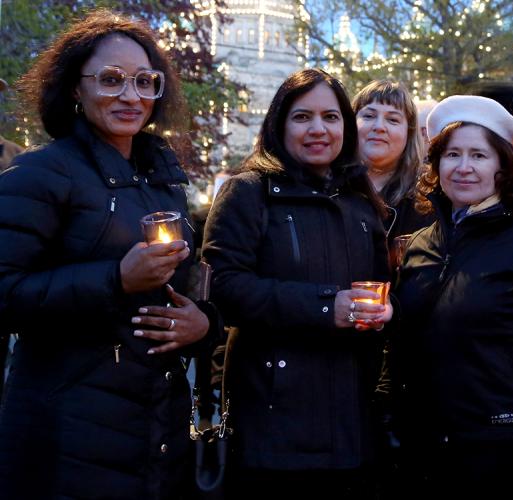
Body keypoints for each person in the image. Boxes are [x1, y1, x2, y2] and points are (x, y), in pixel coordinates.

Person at [0, 11, 217, 499]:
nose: (131, 95)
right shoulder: (38, 175)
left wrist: (204, 325)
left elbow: (186, 287)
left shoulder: (164, 179)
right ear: (76, 88)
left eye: (145, 81)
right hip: (67, 434)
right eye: (112, 80)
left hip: (155, 428)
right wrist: (114, 279)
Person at [202, 68, 393, 499]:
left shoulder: (362, 205)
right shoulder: (247, 192)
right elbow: (223, 290)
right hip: (272, 421)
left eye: (330, 117)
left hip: (351, 422)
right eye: (302, 117)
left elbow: (383, 286)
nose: (318, 129)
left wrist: (384, 309)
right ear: (279, 125)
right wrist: (327, 305)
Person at [391, 95, 513, 499]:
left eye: (479, 155)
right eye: (452, 154)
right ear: (436, 166)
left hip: (503, 448)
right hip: (425, 450)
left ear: (502, 169)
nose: (464, 167)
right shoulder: (420, 246)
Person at [352, 80, 434, 243]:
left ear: (408, 133)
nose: (379, 127)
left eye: (393, 119)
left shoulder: (430, 193)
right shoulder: (329, 188)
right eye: (369, 116)